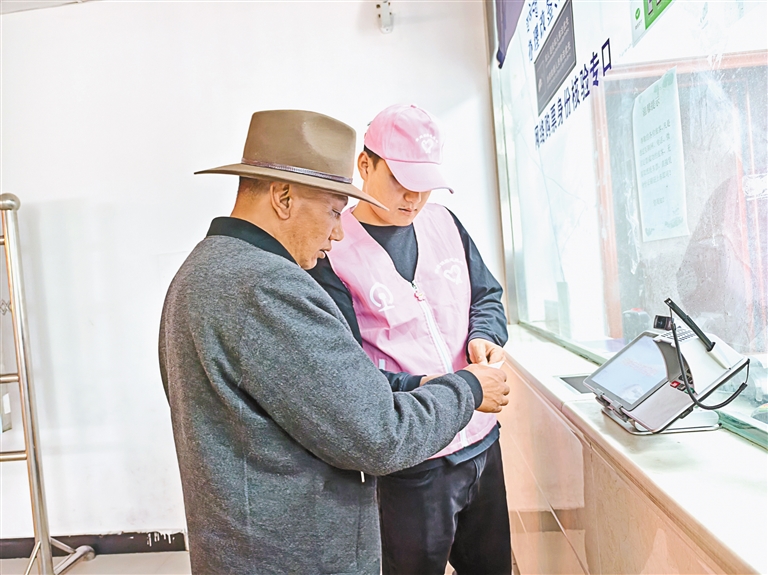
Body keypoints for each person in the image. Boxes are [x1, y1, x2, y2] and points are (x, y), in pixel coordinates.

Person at [158, 109, 510, 574]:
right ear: (283, 197)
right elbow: (379, 436)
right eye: (332, 210)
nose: (338, 231)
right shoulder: (269, 289)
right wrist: (468, 387)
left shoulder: (204, 269)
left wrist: (425, 379)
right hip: (292, 554)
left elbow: (324, 390)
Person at [309, 104, 512, 575]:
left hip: (482, 443)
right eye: (402, 181)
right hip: (413, 465)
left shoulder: (445, 223)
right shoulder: (332, 250)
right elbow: (350, 371)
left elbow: (487, 296)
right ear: (365, 165)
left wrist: (484, 335)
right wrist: (436, 387)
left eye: (425, 184)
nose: (414, 198)